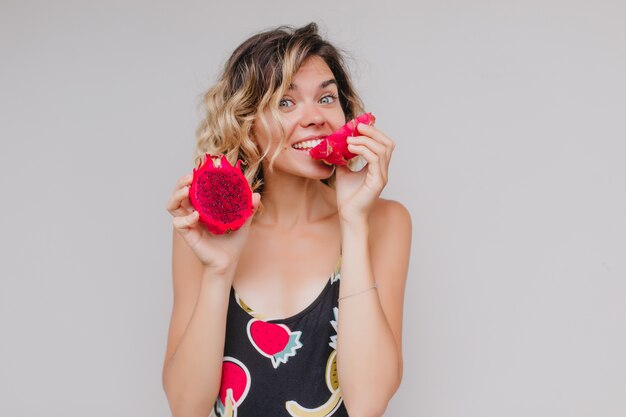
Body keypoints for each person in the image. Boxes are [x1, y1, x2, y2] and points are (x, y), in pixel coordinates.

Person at [162, 23, 411, 417]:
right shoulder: (204, 233)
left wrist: (353, 221)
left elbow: (368, 403)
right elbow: (185, 407)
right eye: (286, 102)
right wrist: (218, 270)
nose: (314, 117)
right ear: (246, 122)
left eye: (327, 98)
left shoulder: (384, 221)